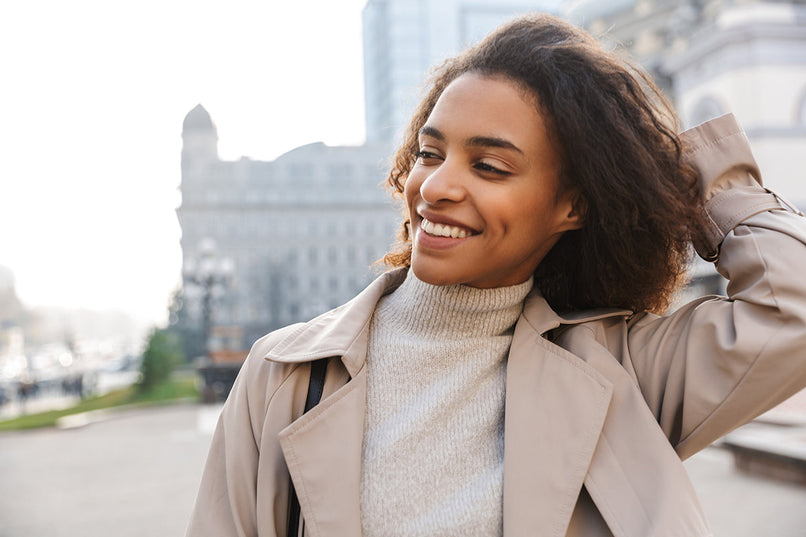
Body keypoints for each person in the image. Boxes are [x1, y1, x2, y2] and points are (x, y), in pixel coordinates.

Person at [186, 14, 806, 537]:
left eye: (489, 166)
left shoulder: (625, 372)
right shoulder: (285, 375)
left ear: (574, 206)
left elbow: (793, 306)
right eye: (429, 153)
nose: (437, 186)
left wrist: (692, 168)